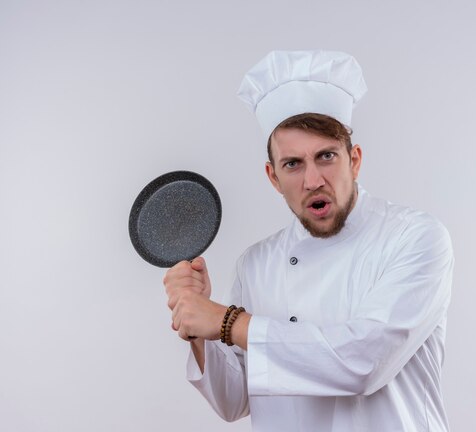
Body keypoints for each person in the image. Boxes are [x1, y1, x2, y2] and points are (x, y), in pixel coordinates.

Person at [163, 50, 454, 432]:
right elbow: (234, 401)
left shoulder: (414, 238)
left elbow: (364, 363)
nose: (312, 179)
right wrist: (200, 329)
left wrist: (226, 322)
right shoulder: (257, 263)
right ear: (272, 177)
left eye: (327, 156)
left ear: (355, 160)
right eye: (293, 164)